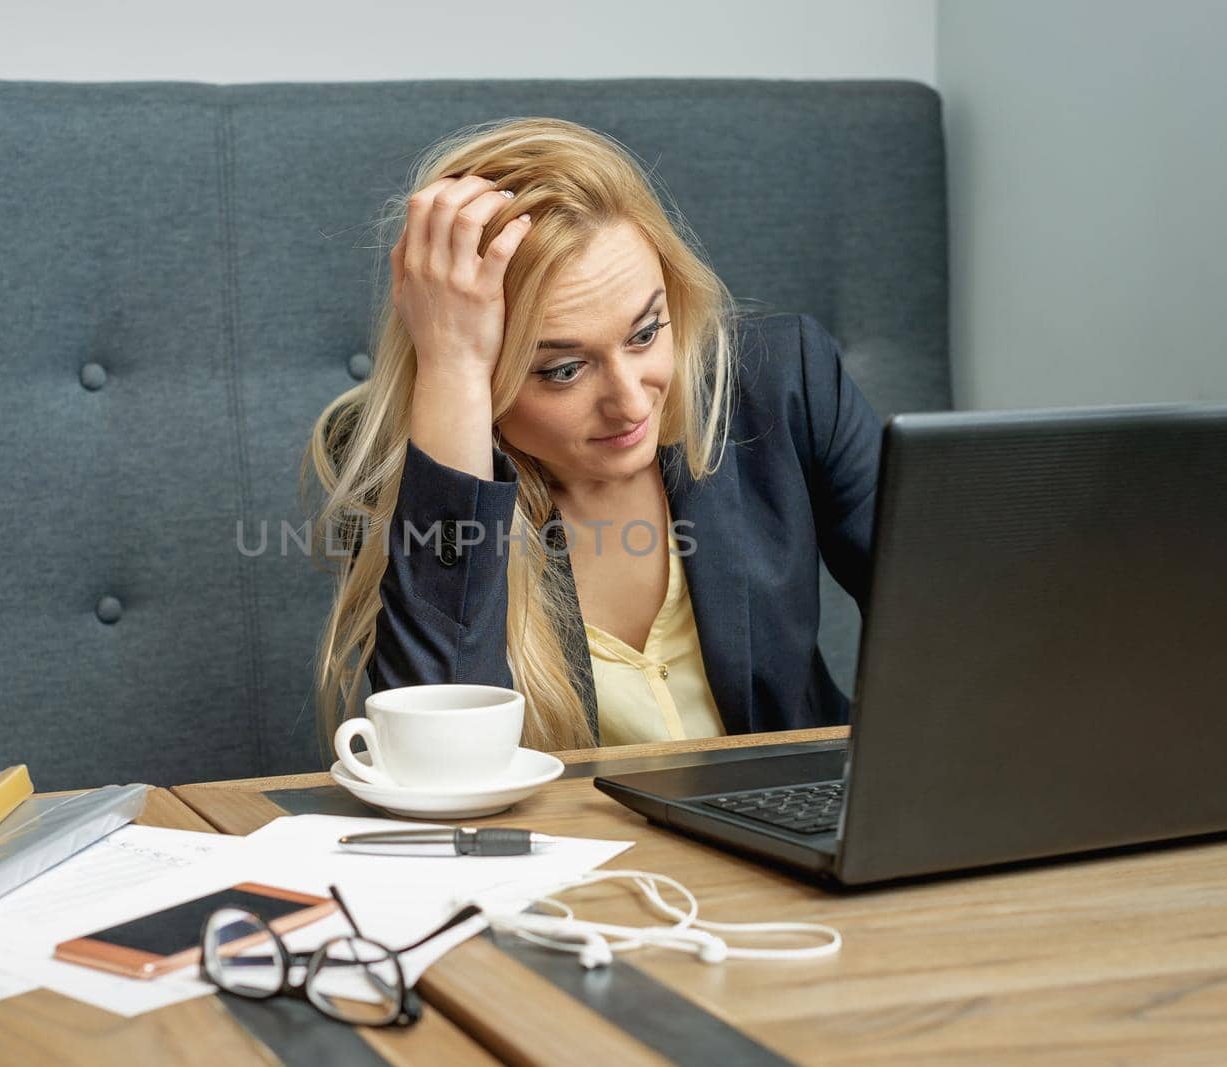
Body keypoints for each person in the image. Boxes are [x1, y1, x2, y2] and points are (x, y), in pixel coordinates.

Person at [302, 117, 880, 753]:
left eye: (645, 332)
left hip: (800, 825)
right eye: (563, 370)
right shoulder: (401, 463)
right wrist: (452, 368)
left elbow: (960, 619)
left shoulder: (781, 381)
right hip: (575, 849)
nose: (632, 402)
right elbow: (441, 756)